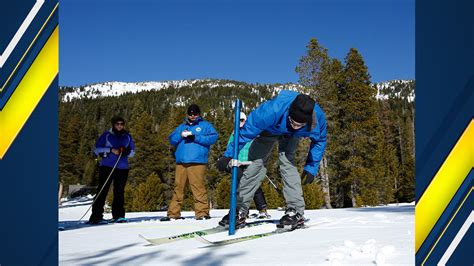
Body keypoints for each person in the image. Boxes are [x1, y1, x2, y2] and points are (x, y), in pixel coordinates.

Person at [217, 90, 327, 229]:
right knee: (255, 163)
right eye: (293, 122)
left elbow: (320, 141)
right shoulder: (271, 110)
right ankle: (239, 210)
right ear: (289, 113)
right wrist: (228, 155)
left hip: (291, 136)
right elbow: (246, 131)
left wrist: (311, 167)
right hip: (270, 128)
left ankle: (295, 211)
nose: (295, 126)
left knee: (287, 162)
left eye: (300, 125)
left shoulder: (317, 119)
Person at [162, 104, 218, 221]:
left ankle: (202, 213)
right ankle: (173, 213)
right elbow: (172, 140)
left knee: (198, 187)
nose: (193, 116)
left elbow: (213, 138)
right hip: (181, 162)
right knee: (178, 188)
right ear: (188, 114)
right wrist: (180, 135)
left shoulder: (205, 125)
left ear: (199, 114)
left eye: (195, 114)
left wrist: (195, 137)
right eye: (191, 114)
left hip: (197, 161)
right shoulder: (182, 127)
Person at [217, 112, 270, 220]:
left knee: (254, 186)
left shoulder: (252, 132)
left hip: (250, 162)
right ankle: (242, 210)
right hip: (238, 163)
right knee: (240, 187)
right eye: (238, 121)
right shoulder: (234, 134)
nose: (240, 123)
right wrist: (229, 160)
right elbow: (230, 148)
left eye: (242, 120)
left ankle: (262, 209)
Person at [89, 116, 135, 224]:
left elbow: (133, 152)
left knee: (119, 192)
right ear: (113, 125)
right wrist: (110, 150)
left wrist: (126, 151)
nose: (119, 126)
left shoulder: (127, 136)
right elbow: (96, 149)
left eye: (121, 124)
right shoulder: (107, 135)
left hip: (122, 168)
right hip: (107, 166)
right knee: (102, 191)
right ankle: (96, 216)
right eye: (117, 124)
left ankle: (118, 216)